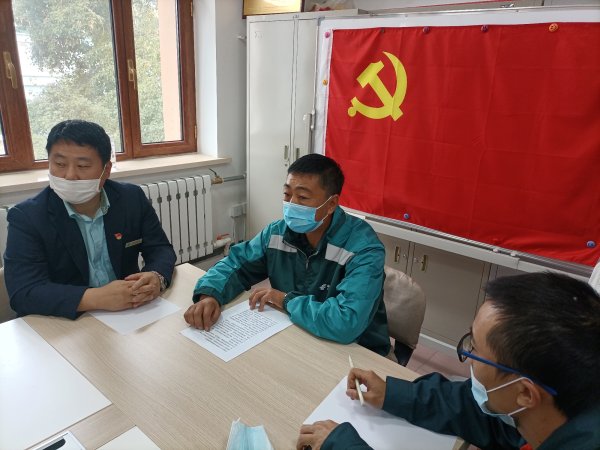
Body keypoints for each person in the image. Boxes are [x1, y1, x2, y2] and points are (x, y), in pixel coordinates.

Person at [298, 272, 600, 450]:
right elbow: (477, 412)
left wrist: (344, 445)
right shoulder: (555, 410)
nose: (468, 358)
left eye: (475, 350)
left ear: (525, 392)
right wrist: (392, 393)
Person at [184, 154, 391, 356]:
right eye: (287, 194)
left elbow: (346, 322)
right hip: (298, 335)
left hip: (356, 352)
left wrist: (285, 300)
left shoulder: (363, 248)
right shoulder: (277, 232)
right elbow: (235, 264)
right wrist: (210, 295)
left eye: (303, 197)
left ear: (331, 204)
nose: (291, 204)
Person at [4, 120, 176, 319]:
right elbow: (24, 292)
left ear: (106, 170)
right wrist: (94, 298)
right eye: (59, 164)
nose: (70, 175)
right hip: (64, 322)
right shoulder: (27, 217)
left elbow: (160, 248)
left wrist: (156, 276)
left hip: (129, 313)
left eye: (83, 165)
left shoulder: (131, 198)